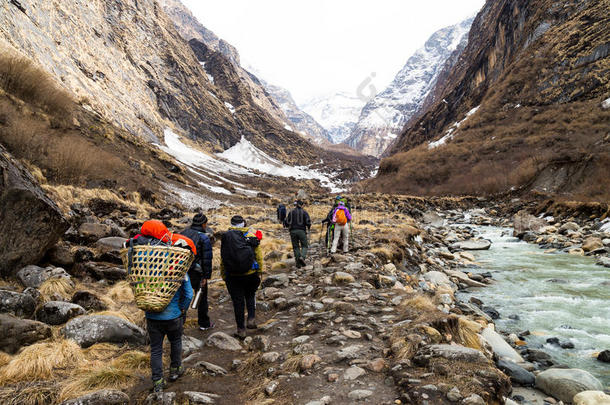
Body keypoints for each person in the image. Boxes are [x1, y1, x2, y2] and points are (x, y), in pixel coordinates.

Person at [145, 272, 193, 392]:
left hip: (152, 316)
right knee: (176, 341)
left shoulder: (146, 266)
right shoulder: (180, 265)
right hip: (173, 315)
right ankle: (175, 370)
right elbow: (188, 294)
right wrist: (182, 309)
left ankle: (158, 381)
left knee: (156, 349)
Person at [220, 215, 264, 339]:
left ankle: (241, 329)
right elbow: (258, 255)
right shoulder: (250, 236)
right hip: (250, 274)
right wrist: (260, 271)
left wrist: (224, 274)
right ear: (243, 224)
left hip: (233, 276)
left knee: (237, 302)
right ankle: (251, 319)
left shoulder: (226, 237)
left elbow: (223, 258)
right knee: (250, 295)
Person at [179, 213, 214, 330]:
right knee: (202, 298)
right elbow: (207, 259)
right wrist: (206, 277)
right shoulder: (204, 237)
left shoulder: (183, 233)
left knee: (182, 296)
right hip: (197, 272)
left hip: (182, 270)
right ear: (203, 224)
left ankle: (180, 323)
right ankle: (204, 323)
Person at [284, 200, 311, 268]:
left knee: (296, 247)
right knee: (304, 246)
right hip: (302, 231)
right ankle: (302, 257)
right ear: (302, 205)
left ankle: (298, 264)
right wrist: (308, 227)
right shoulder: (304, 212)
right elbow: (308, 222)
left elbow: (286, 222)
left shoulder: (291, 212)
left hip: (292, 231)